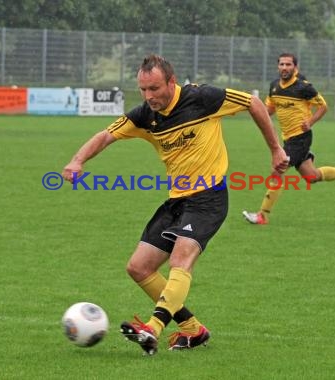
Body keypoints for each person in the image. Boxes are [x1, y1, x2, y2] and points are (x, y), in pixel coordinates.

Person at [62, 54, 288, 355]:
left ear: (172, 81)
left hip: (209, 198)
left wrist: (275, 149)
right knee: (139, 268)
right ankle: (193, 330)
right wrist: (78, 160)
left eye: (154, 88)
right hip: (177, 201)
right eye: (143, 90)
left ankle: (152, 329)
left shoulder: (202, 97)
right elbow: (106, 135)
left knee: (181, 259)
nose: (148, 96)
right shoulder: (144, 115)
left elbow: (254, 103)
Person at [242, 52, 335, 225]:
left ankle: (262, 215)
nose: (284, 68)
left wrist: (310, 121)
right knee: (311, 176)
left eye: (288, 64)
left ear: (295, 67)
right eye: (282, 64)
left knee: (277, 169)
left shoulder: (304, 87)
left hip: (301, 138)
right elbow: (269, 110)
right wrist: (251, 110)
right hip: (288, 139)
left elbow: (323, 106)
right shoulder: (274, 87)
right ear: (278, 66)